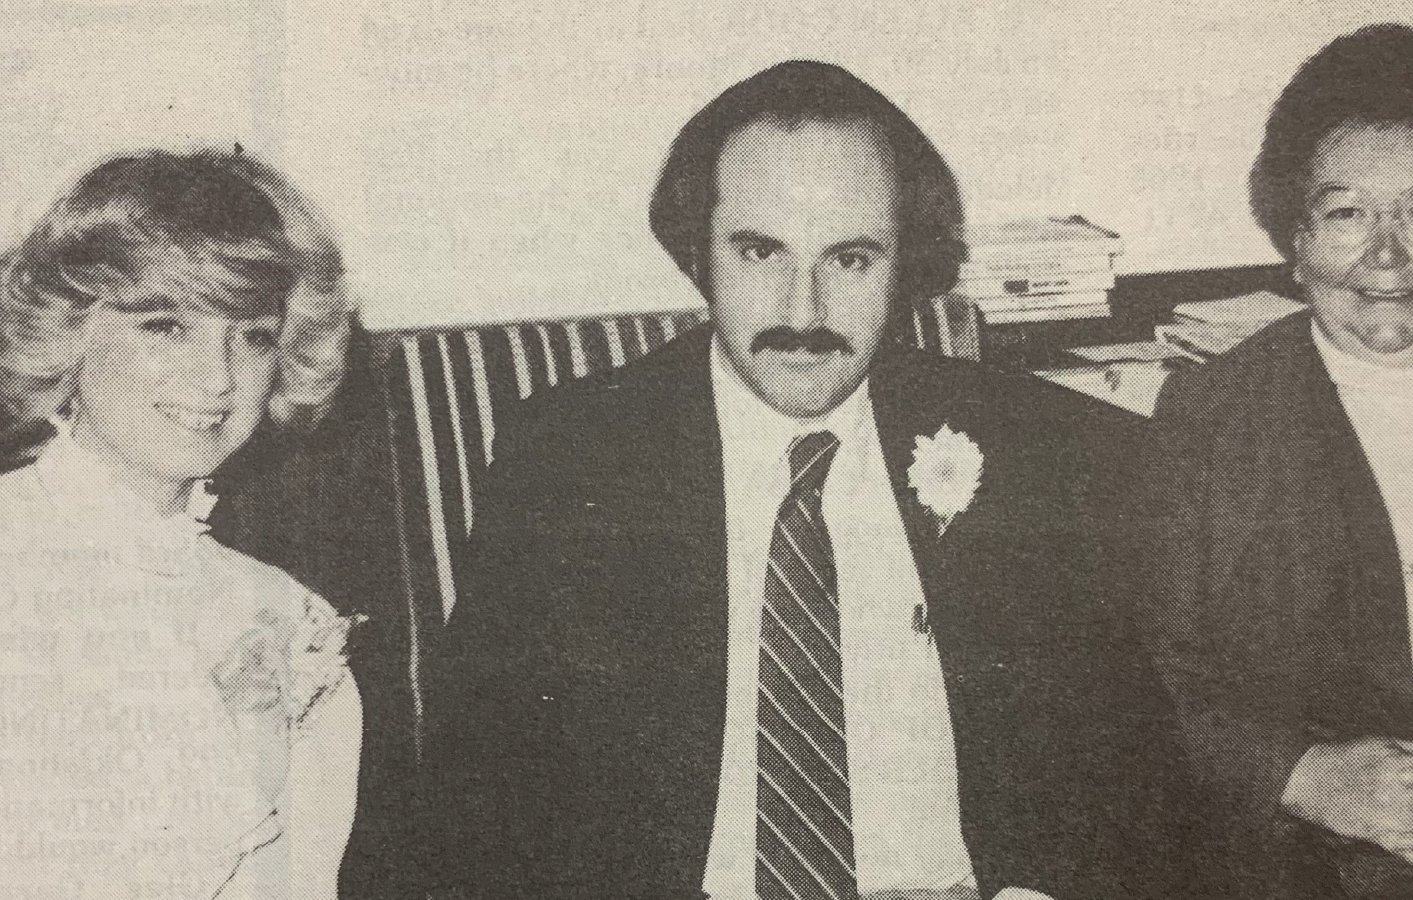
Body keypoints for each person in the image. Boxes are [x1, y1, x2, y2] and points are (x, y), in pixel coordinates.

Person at [427, 60, 1210, 900]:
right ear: (699, 251)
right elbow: (474, 802)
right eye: (760, 251)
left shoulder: (1038, 450)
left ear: (905, 265)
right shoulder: (576, 460)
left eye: (851, 258)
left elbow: (1133, 781)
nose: (802, 309)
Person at [1138, 24, 1413, 900]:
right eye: (1344, 213)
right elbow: (1146, 670)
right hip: (1360, 871)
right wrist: (1306, 777)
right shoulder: (1218, 418)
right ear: (1295, 241)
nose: (1383, 257)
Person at [0, 149, 362, 898]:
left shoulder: (289, 614)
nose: (218, 378)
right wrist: (230, 759)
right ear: (68, 332)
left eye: (252, 336)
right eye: (166, 327)